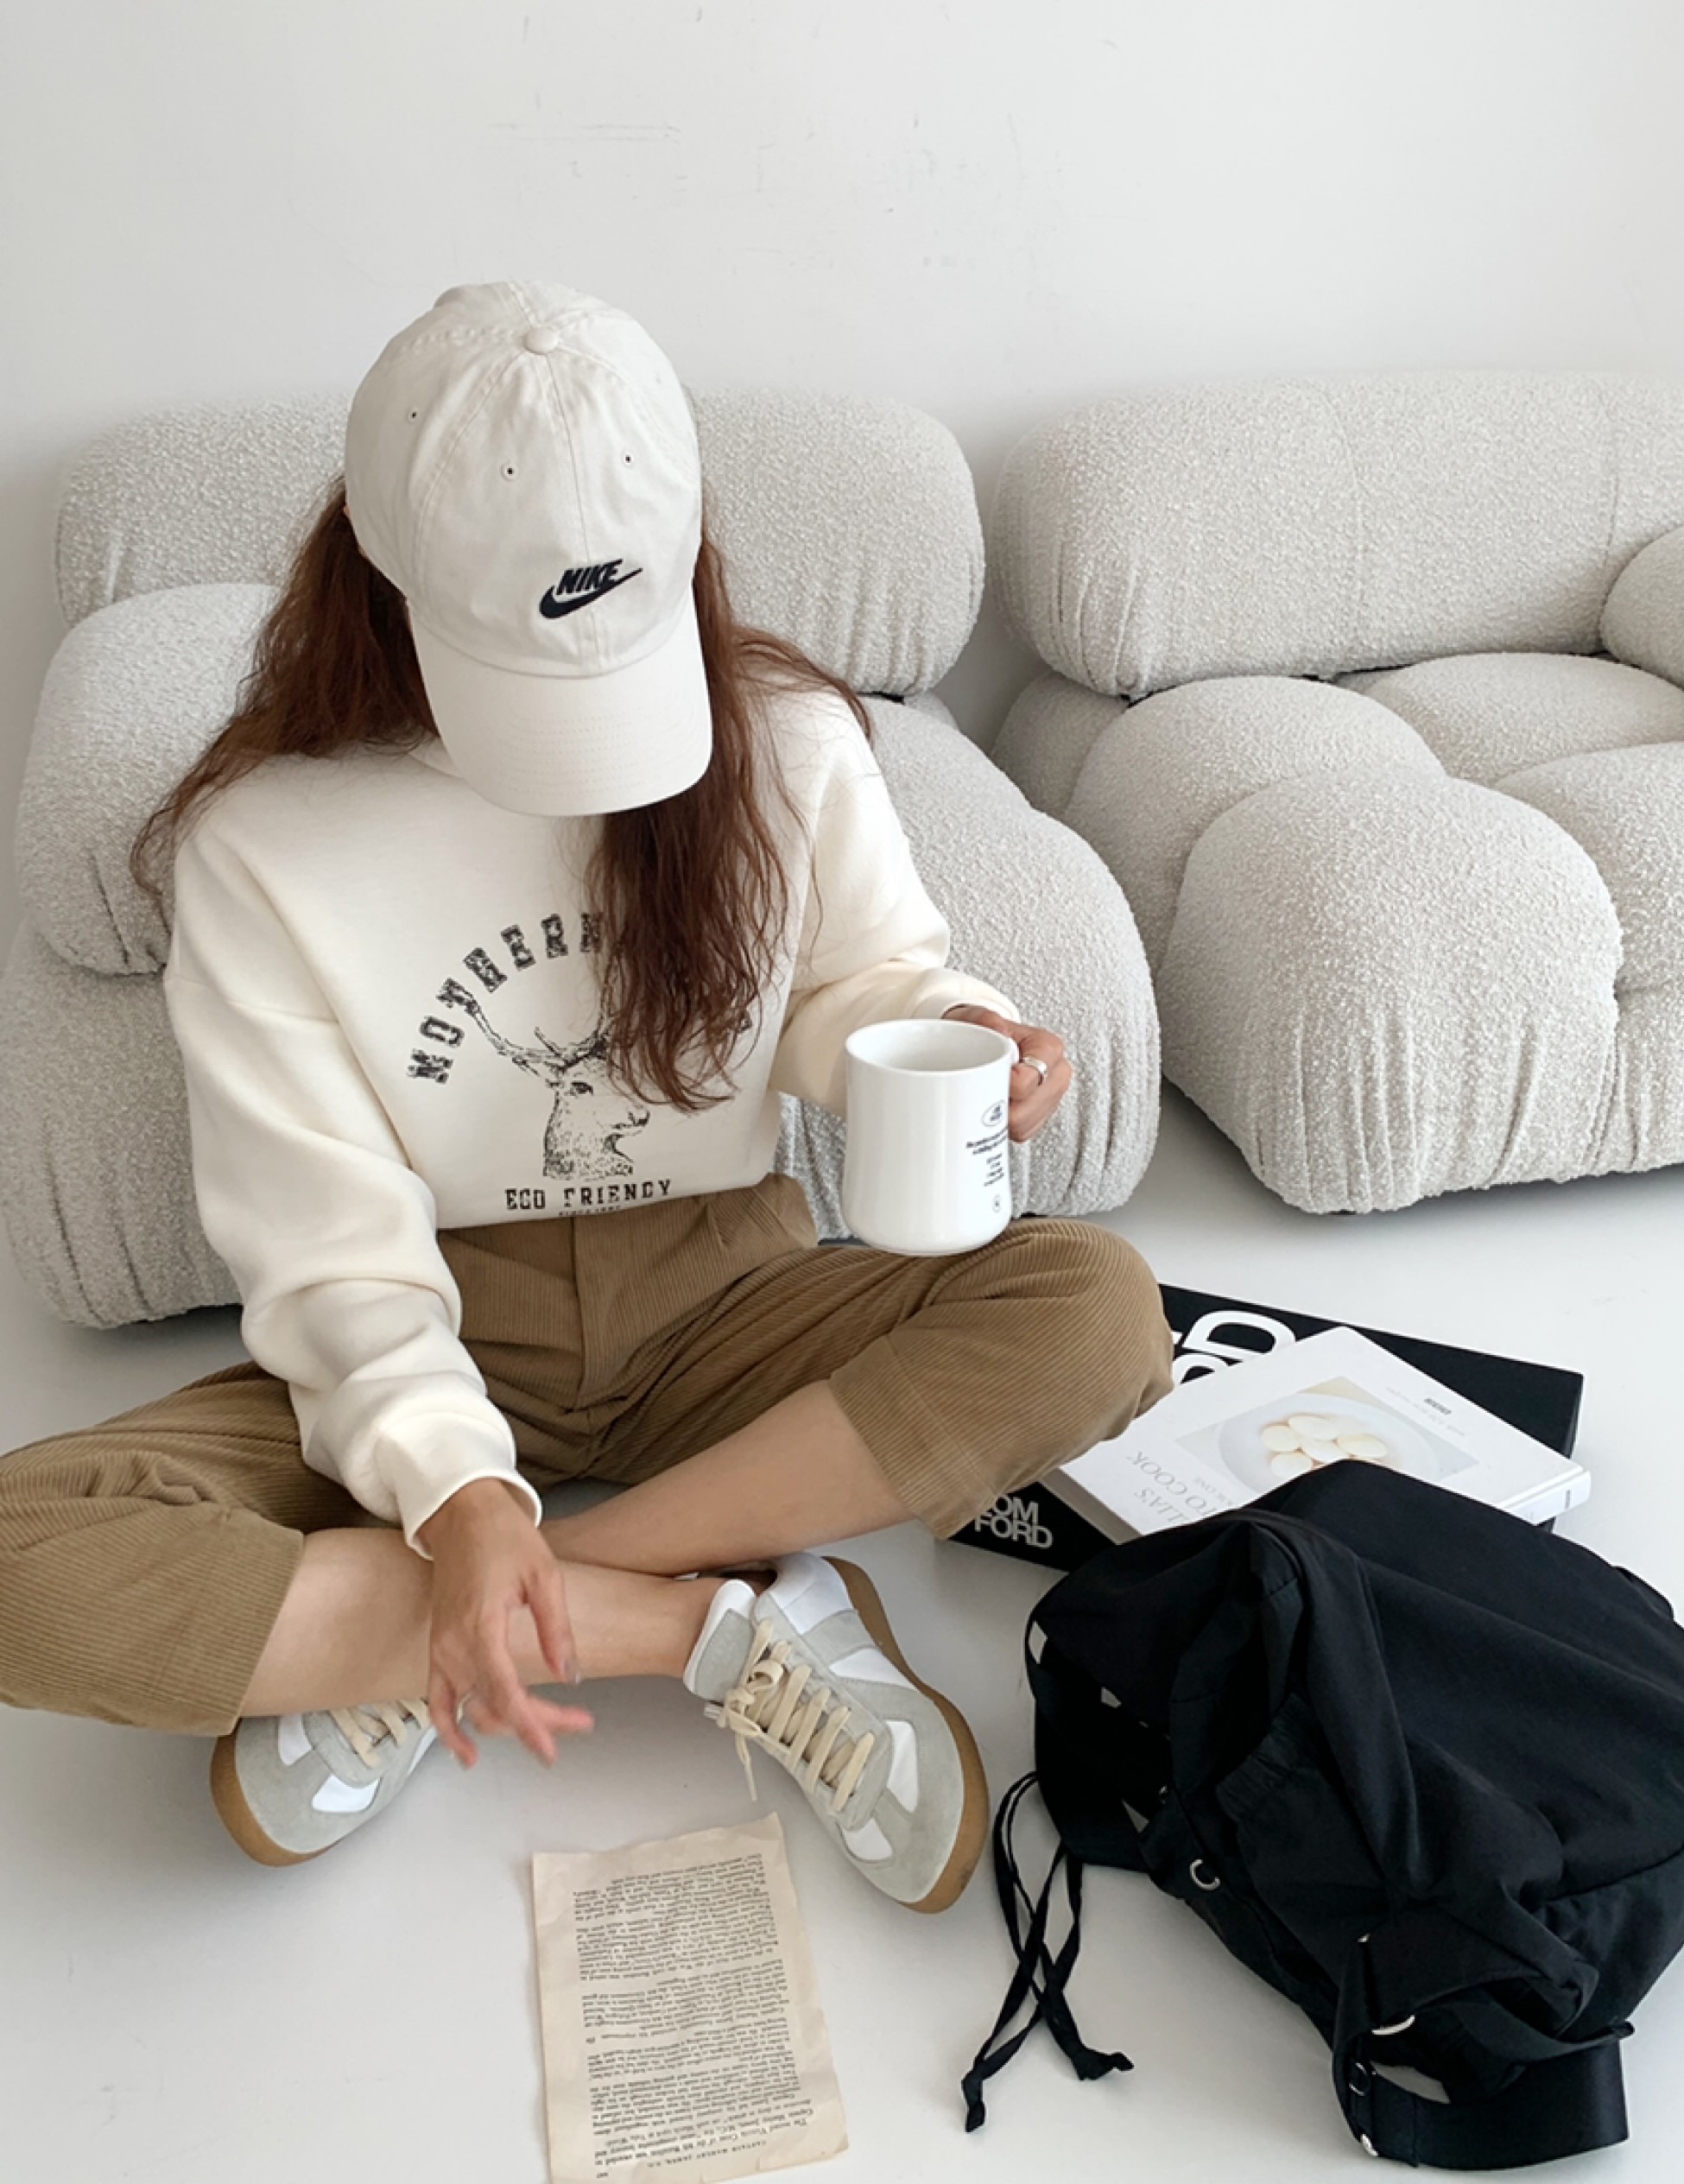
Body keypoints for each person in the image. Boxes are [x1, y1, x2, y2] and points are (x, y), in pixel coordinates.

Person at [0, 283, 1172, 1914]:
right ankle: (712, 1625)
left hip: (729, 1303)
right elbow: (328, 1244)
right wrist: (456, 1491)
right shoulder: (266, 844)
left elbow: (858, 984)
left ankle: (451, 1629)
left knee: (1100, 1307)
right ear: (384, 573)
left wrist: (959, 1034)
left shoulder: (789, 743)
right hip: (431, 1324)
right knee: (22, 1559)